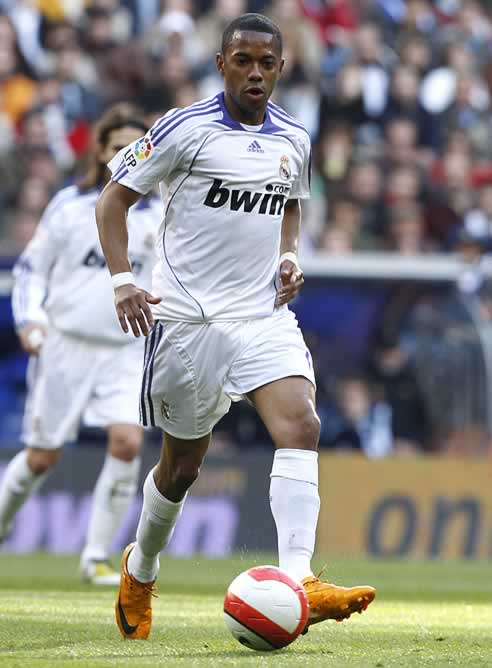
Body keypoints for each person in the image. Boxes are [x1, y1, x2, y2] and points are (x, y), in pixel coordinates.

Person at [96, 13, 376, 639]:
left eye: (266, 63)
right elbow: (113, 198)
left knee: (302, 424)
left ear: (282, 68)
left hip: (260, 316)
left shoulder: (295, 138)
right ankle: (140, 568)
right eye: (242, 60)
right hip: (188, 324)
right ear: (221, 63)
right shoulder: (183, 129)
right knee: (181, 469)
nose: (254, 72)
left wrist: (289, 255)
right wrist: (121, 281)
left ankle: (300, 579)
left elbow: (291, 208)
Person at [0, 104, 161, 585]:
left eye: (135, 150)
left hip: (128, 348)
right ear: (99, 150)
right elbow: (32, 269)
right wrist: (29, 321)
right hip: (66, 345)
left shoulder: (160, 215)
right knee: (42, 456)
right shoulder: (69, 206)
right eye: (117, 149)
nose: (126, 158)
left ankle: (95, 557)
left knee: (128, 442)